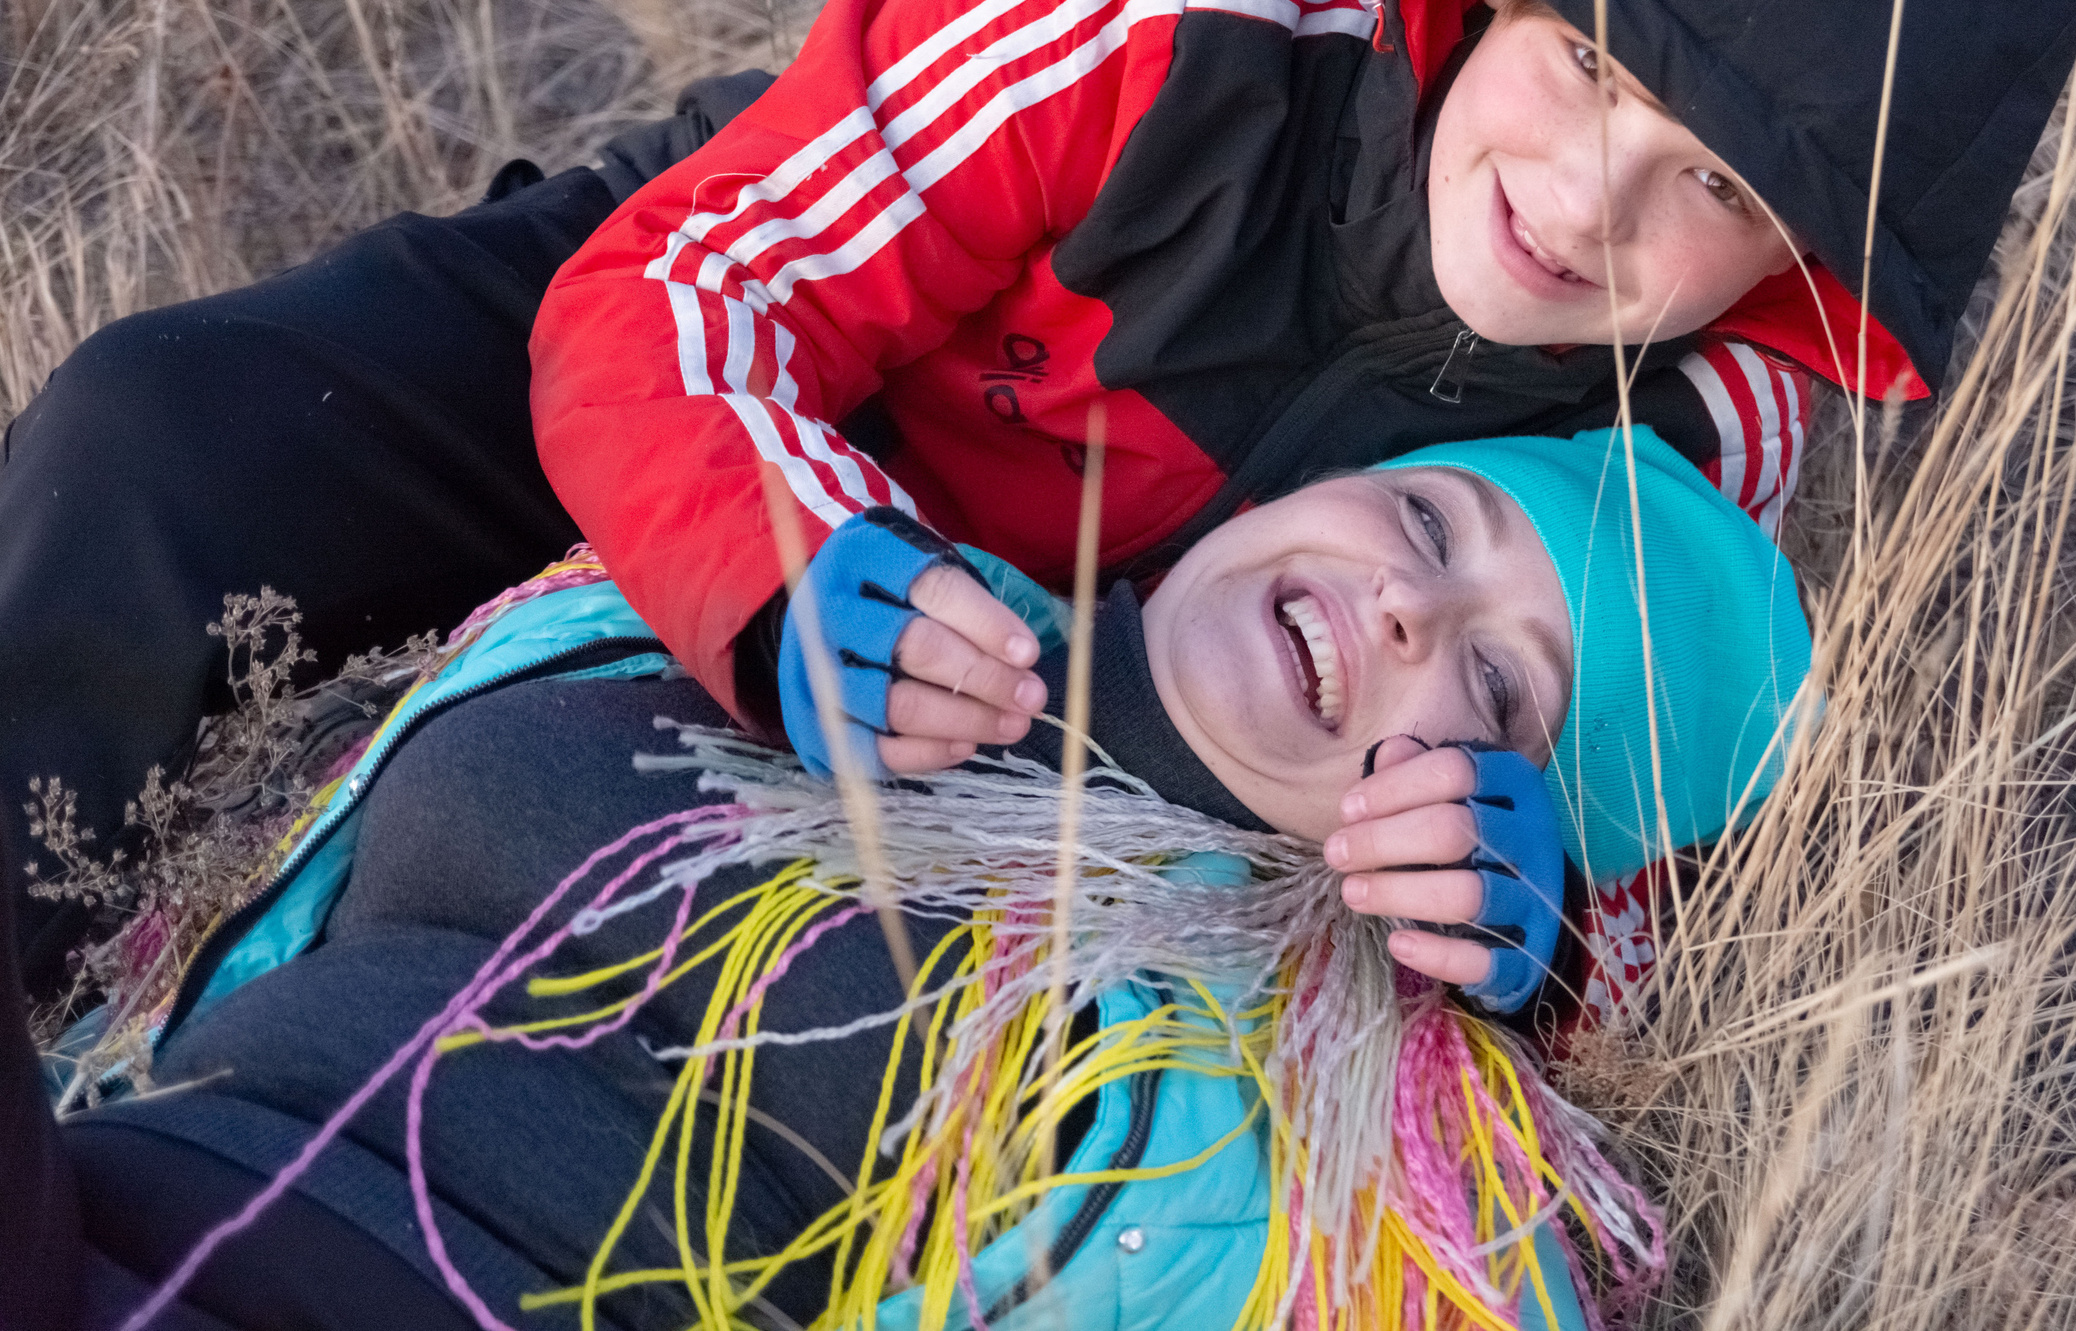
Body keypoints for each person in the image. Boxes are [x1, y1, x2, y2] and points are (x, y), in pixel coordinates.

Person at [0, 0, 2076, 1001]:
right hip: (753, 342)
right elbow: (694, 287)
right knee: (166, 435)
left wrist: (1535, 919)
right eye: (1589, 63)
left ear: (1801, 262)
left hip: (1087, 674)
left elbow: (1655, 813)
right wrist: (786, 564)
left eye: (1717, 185)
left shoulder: (1707, 413)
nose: (1584, 203)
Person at [5, 426, 1807, 1330]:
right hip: (98, 1185)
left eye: (1499, 687)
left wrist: (1540, 992)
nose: (1409, 601)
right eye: (1427, 519)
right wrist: (752, 589)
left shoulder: (1323, 1123)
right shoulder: (815, 579)